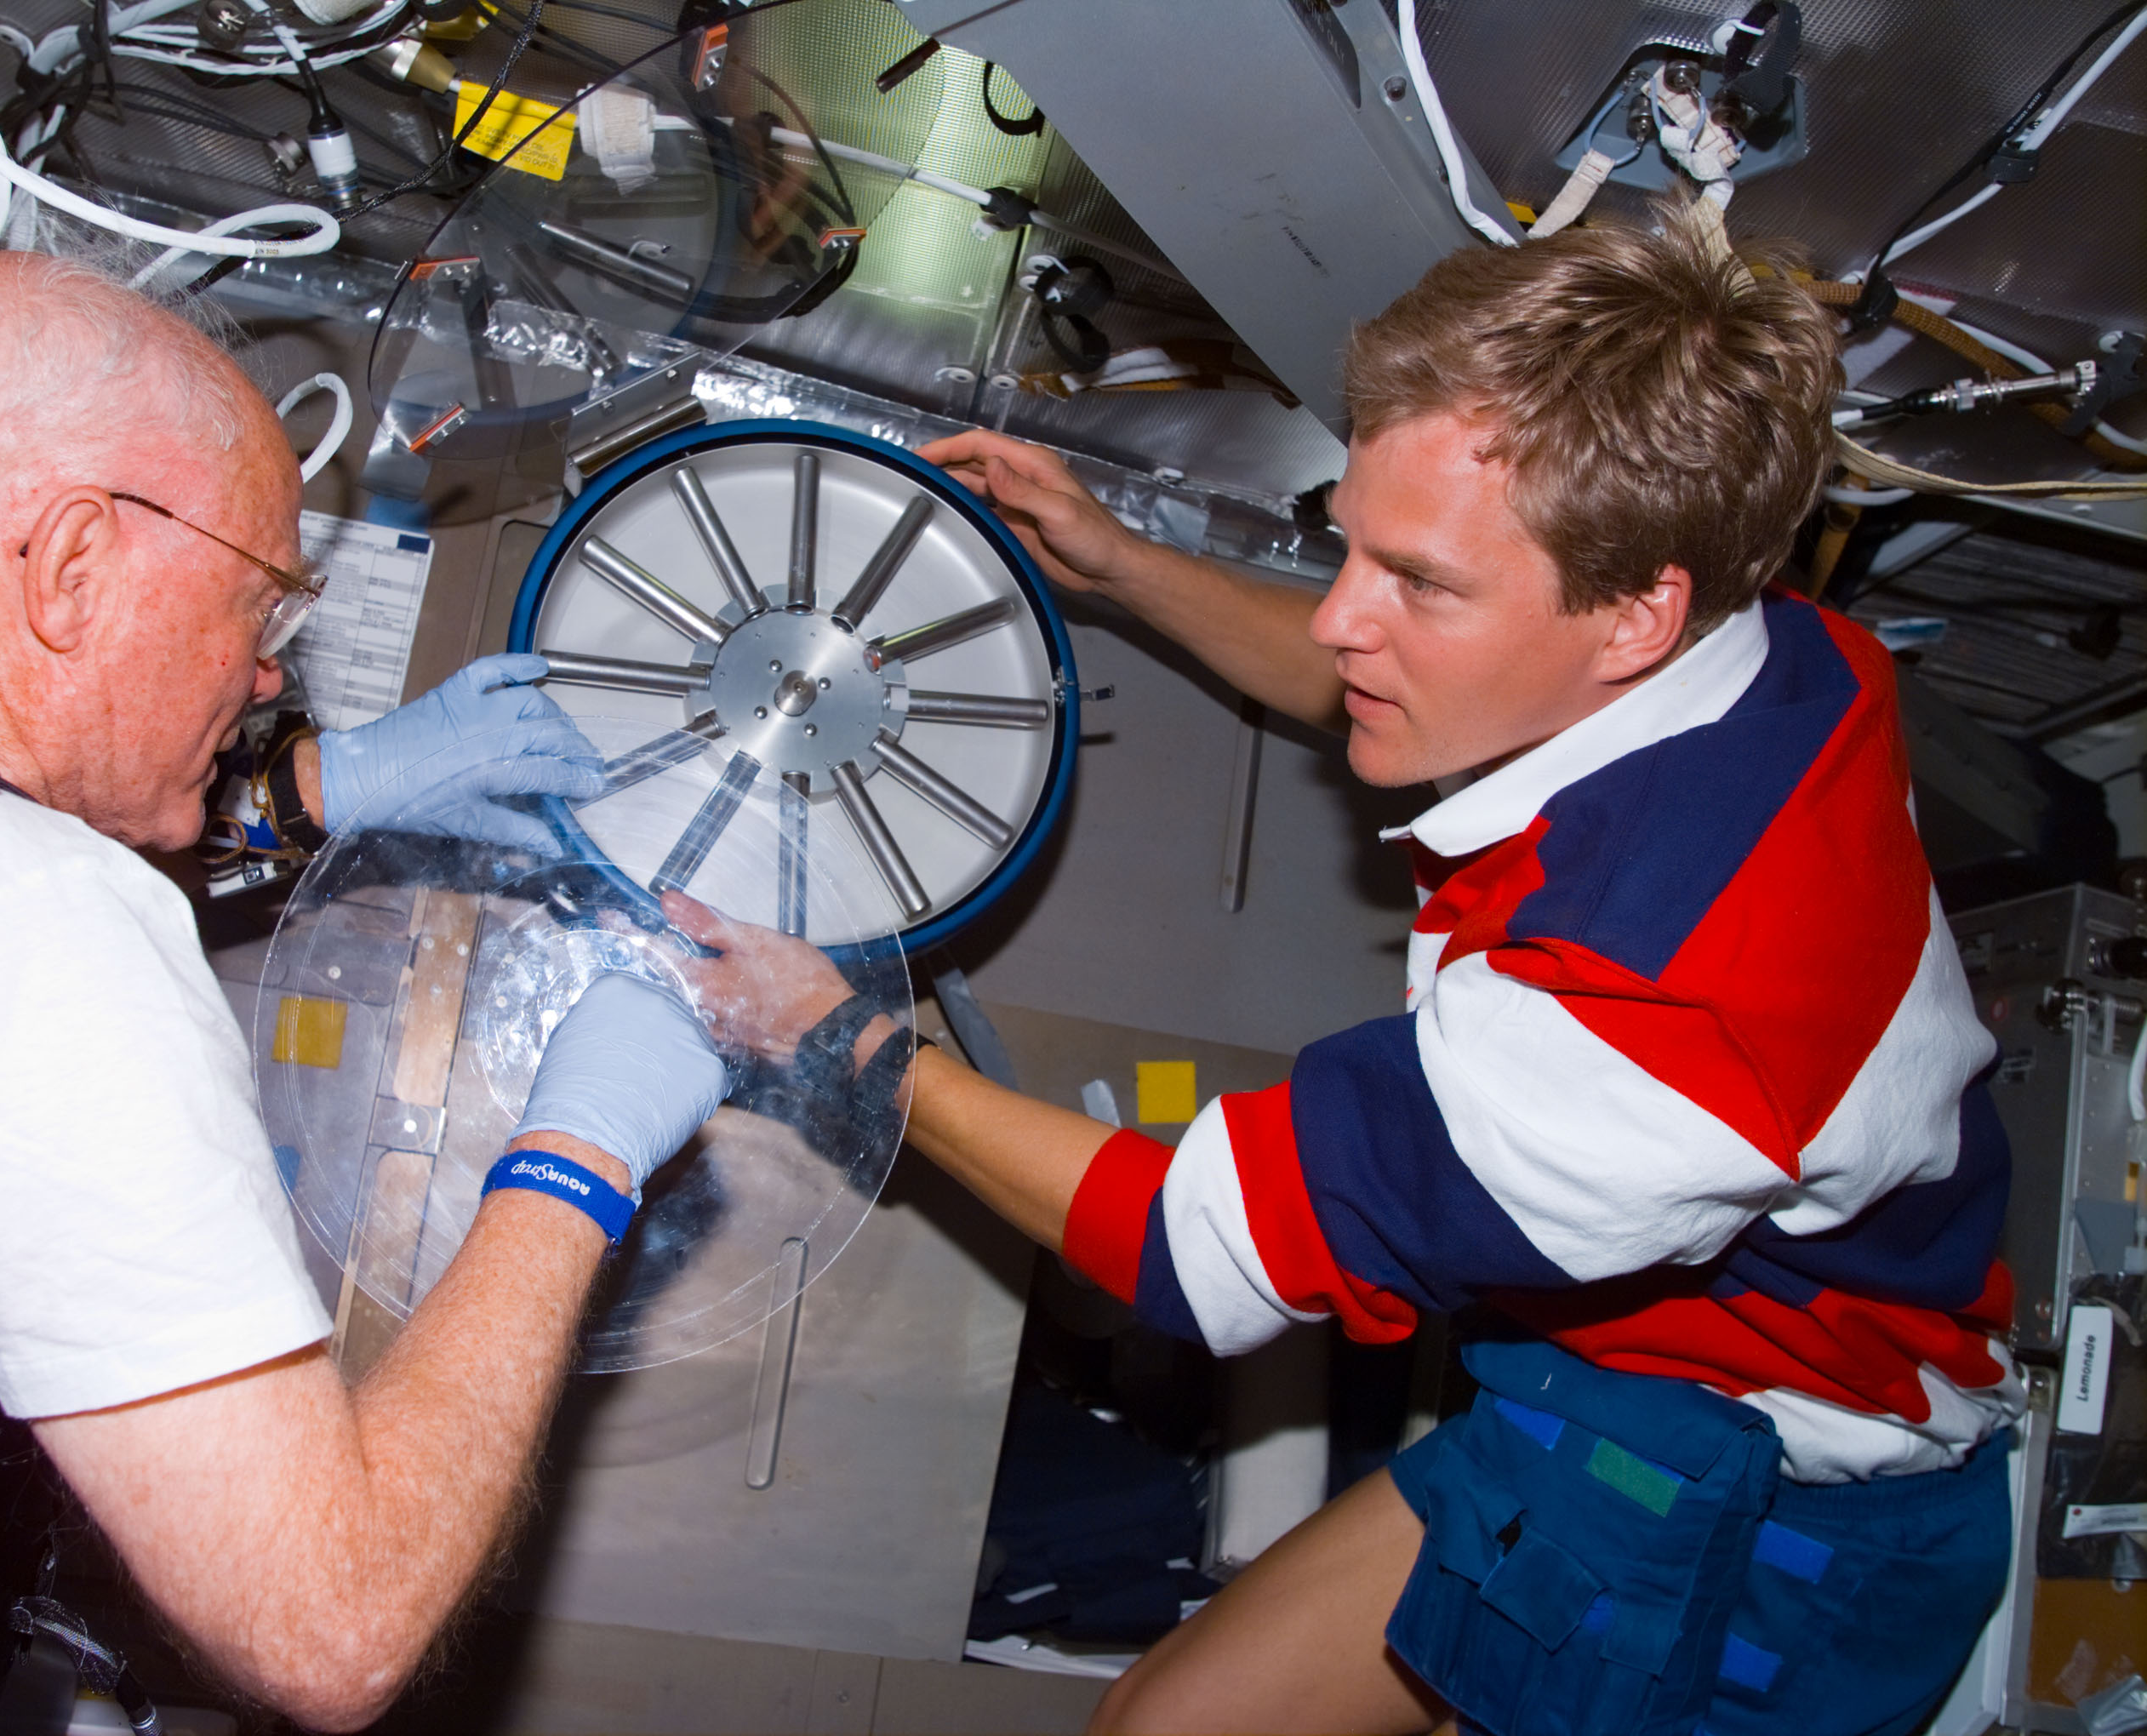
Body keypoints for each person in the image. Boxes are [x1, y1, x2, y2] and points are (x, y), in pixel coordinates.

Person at [667, 210, 2019, 1736]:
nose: (1338, 616)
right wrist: (1121, 566)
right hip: (1618, 1382)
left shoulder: (1654, 1029)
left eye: (1419, 584)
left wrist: (835, 1039)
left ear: (1642, 609)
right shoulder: (1781, 655)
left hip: (1775, 1516)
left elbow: (1185, 1253)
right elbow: (1424, 678)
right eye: (1347, 541)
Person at [0, 251, 731, 1734]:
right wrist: (583, 1154)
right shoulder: (17, 915)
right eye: (264, 610)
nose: (260, 680)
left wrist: (313, 793)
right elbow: (331, 1619)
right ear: (73, 563)